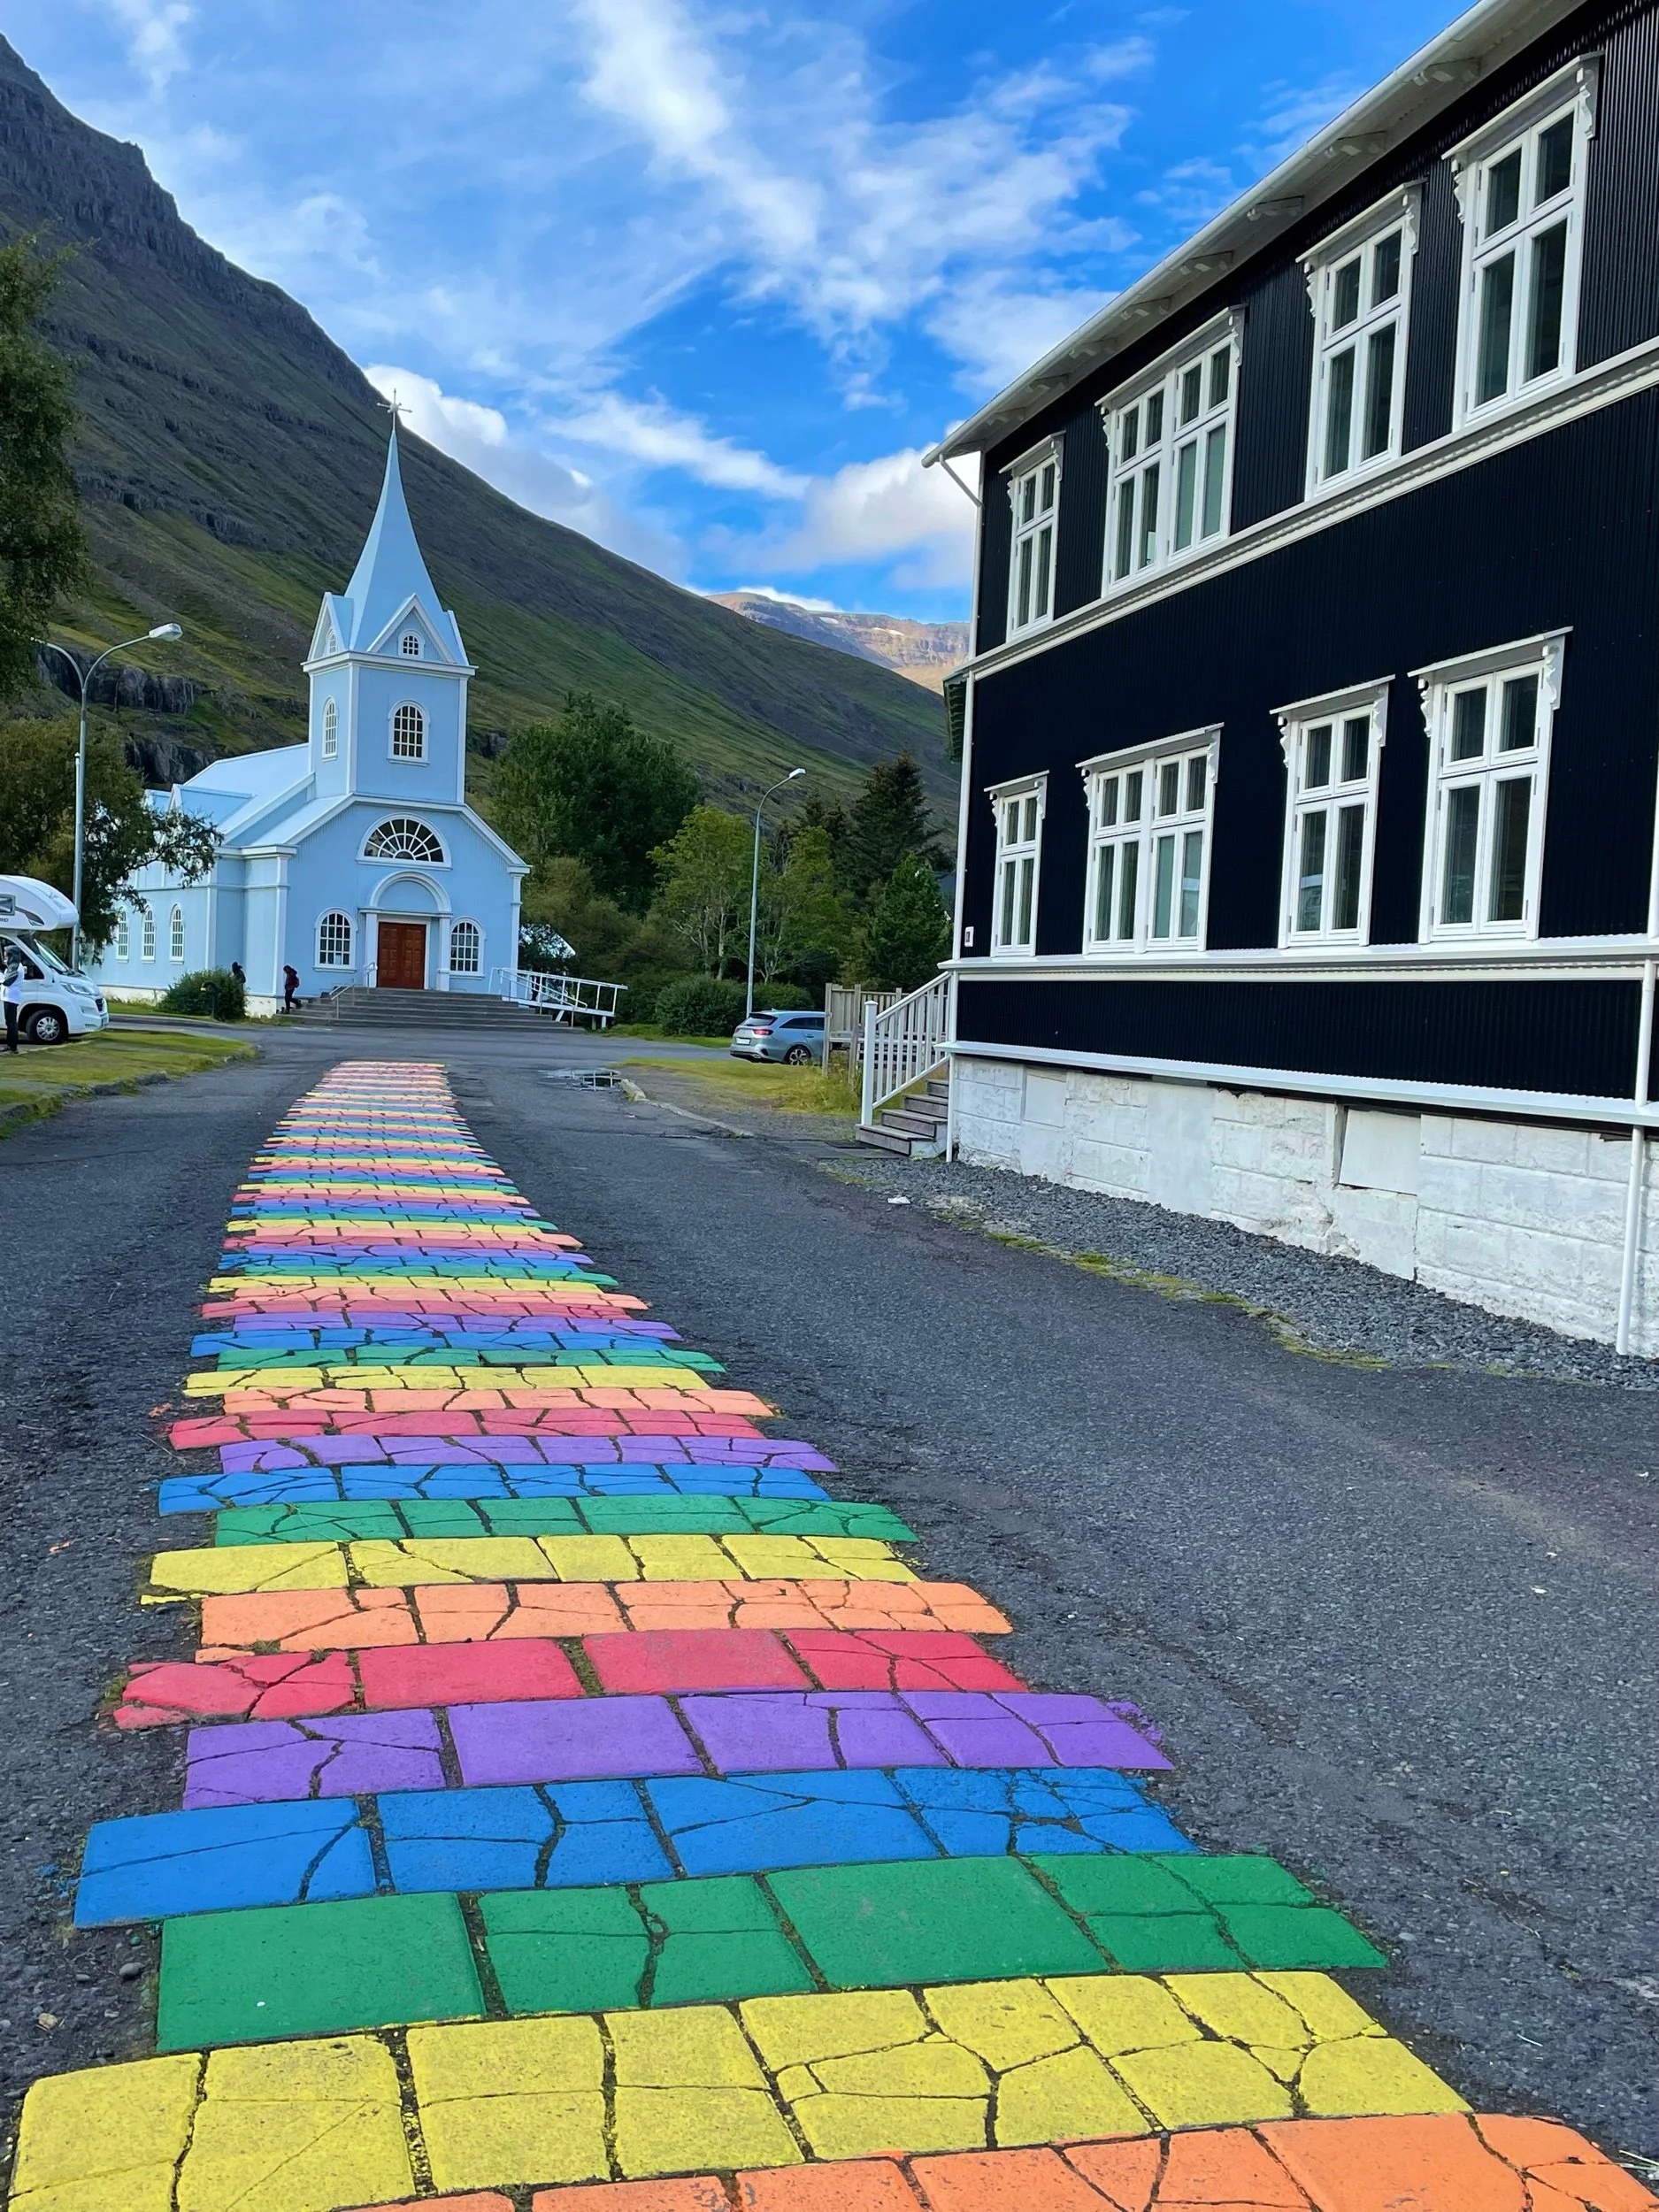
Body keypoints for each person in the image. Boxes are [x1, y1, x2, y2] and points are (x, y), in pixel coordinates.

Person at [2, 943, 25, 1053]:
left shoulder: (15, 967)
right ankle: (10, 1045)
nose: (5, 957)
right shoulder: (15, 966)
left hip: (11, 996)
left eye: (7, 955)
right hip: (9, 996)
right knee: (10, 1022)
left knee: (11, 1023)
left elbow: (7, 981)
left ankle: (13, 1046)